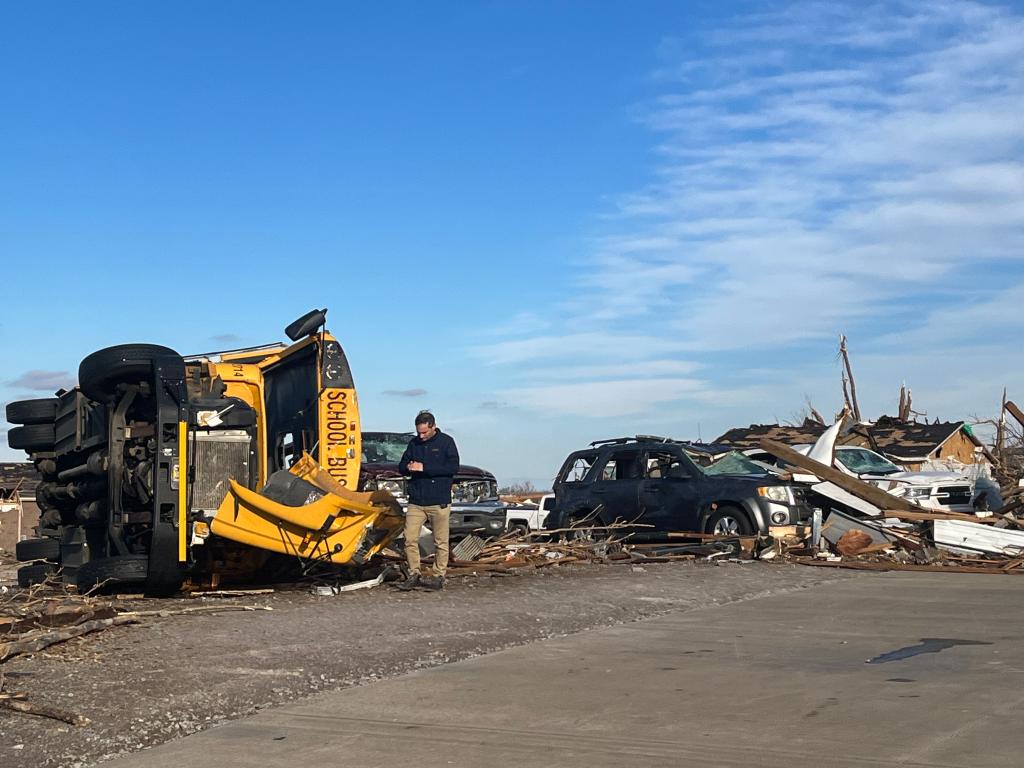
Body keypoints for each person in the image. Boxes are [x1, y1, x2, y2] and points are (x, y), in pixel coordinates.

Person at [396, 411, 459, 591]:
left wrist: (425, 468)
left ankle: (438, 575)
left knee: (440, 541)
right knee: (409, 538)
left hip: (439, 500)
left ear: (433, 427)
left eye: (424, 432)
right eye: (418, 432)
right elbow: (401, 466)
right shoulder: (413, 444)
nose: (421, 436)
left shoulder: (446, 442)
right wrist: (408, 468)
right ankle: (414, 572)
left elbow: (452, 467)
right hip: (416, 501)